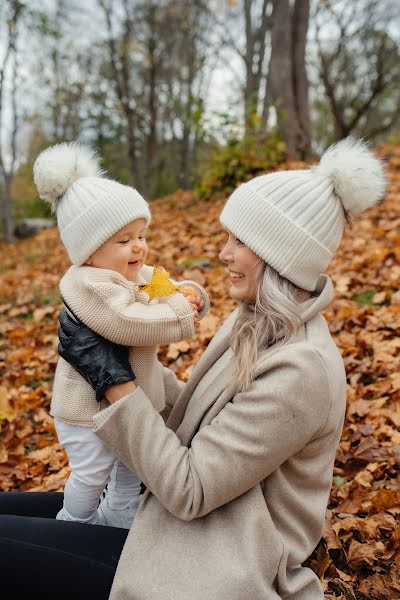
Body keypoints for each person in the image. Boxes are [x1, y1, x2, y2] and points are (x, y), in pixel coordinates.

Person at [0, 137, 386, 600]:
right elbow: (195, 417)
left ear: (278, 254)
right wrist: (115, 353)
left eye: (239, 241)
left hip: (199, 562)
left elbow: (190, 489)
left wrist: (114, 381)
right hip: (161, 518)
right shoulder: (256, 322)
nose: (223, 253)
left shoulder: (302, 370)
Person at [32, 142, 209, 529]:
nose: (139, 248)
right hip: (86, 412)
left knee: (133, 463)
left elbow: (162, 285)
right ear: (90, 251)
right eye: (124, 240)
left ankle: (121, 513)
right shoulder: (88, 284)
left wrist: (189, 294)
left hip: (127, 405)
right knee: (92, 473)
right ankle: (74, 522)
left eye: (141, 235)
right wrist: (179, 314)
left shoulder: (129, 273)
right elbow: (126, 321)